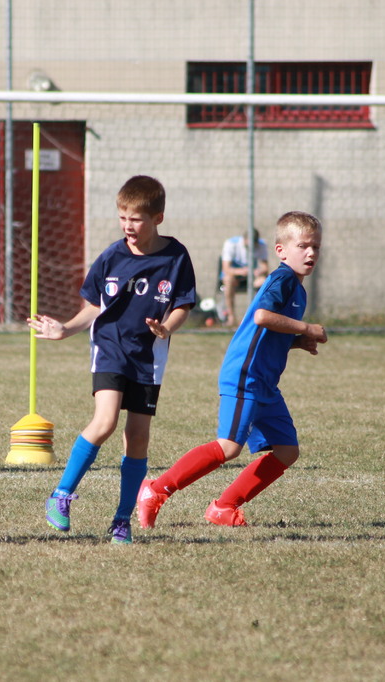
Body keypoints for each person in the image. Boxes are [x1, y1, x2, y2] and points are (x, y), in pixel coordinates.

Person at [28, 175, 197, 544]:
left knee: (137, 437)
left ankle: (121, 520)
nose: (128, 226)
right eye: (123, 218)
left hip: (148, 357)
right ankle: (60, 495)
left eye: (136, 219)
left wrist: (166, 328)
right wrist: (66, 329)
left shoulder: (176, 256)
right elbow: (94, 306)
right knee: (104, 422)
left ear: (158, 218)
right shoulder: (112, 256)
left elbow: (183, 305)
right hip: (110, 348)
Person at [137, 211, 326, 529]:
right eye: (303, 246)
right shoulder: (282, 279)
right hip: (246, 376)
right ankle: (155, 490)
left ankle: (224, 507)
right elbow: (262, 317)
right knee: (228, 447)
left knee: (287, 451)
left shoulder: (297, 288)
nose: (310, 253)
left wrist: (297, 341)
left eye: (316, 247)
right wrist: (307, 327)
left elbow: (266, 333)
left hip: (265, 382)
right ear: (281, 251)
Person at [218, 230, 270, 327]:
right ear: (244, 240)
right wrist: (241, 271)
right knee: (228, 280)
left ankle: (257, 317)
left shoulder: (261, 244)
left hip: (252, 277)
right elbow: (226, 269)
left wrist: (258, 271)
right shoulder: (231, 244)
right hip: (235, 277)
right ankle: (231, 317)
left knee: (263, 282)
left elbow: (265, 268)